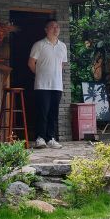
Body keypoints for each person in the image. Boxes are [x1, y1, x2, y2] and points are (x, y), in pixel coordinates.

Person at [28, 19, 68, 149]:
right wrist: (40, 74)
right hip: (42, 85)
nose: (56, 29)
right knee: (42, 112)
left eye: (57, 27)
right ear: (46, 29)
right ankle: (40, 138)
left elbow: (61, 65)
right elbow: (31, 63)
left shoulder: (63, 46)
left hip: (57, 85)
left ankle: (51, 138)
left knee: (53, 113)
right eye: (52, 27)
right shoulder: (39, 45)